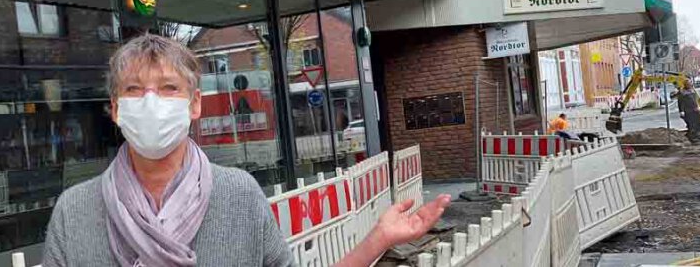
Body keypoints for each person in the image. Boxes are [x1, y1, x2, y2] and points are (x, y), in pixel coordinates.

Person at [42, 34, 449, 266]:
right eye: (134, 90)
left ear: (195, 104)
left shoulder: (238, 194)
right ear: (115, 109)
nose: (152, 102)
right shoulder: (74, 211)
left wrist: (376, 240)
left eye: (168, 88)